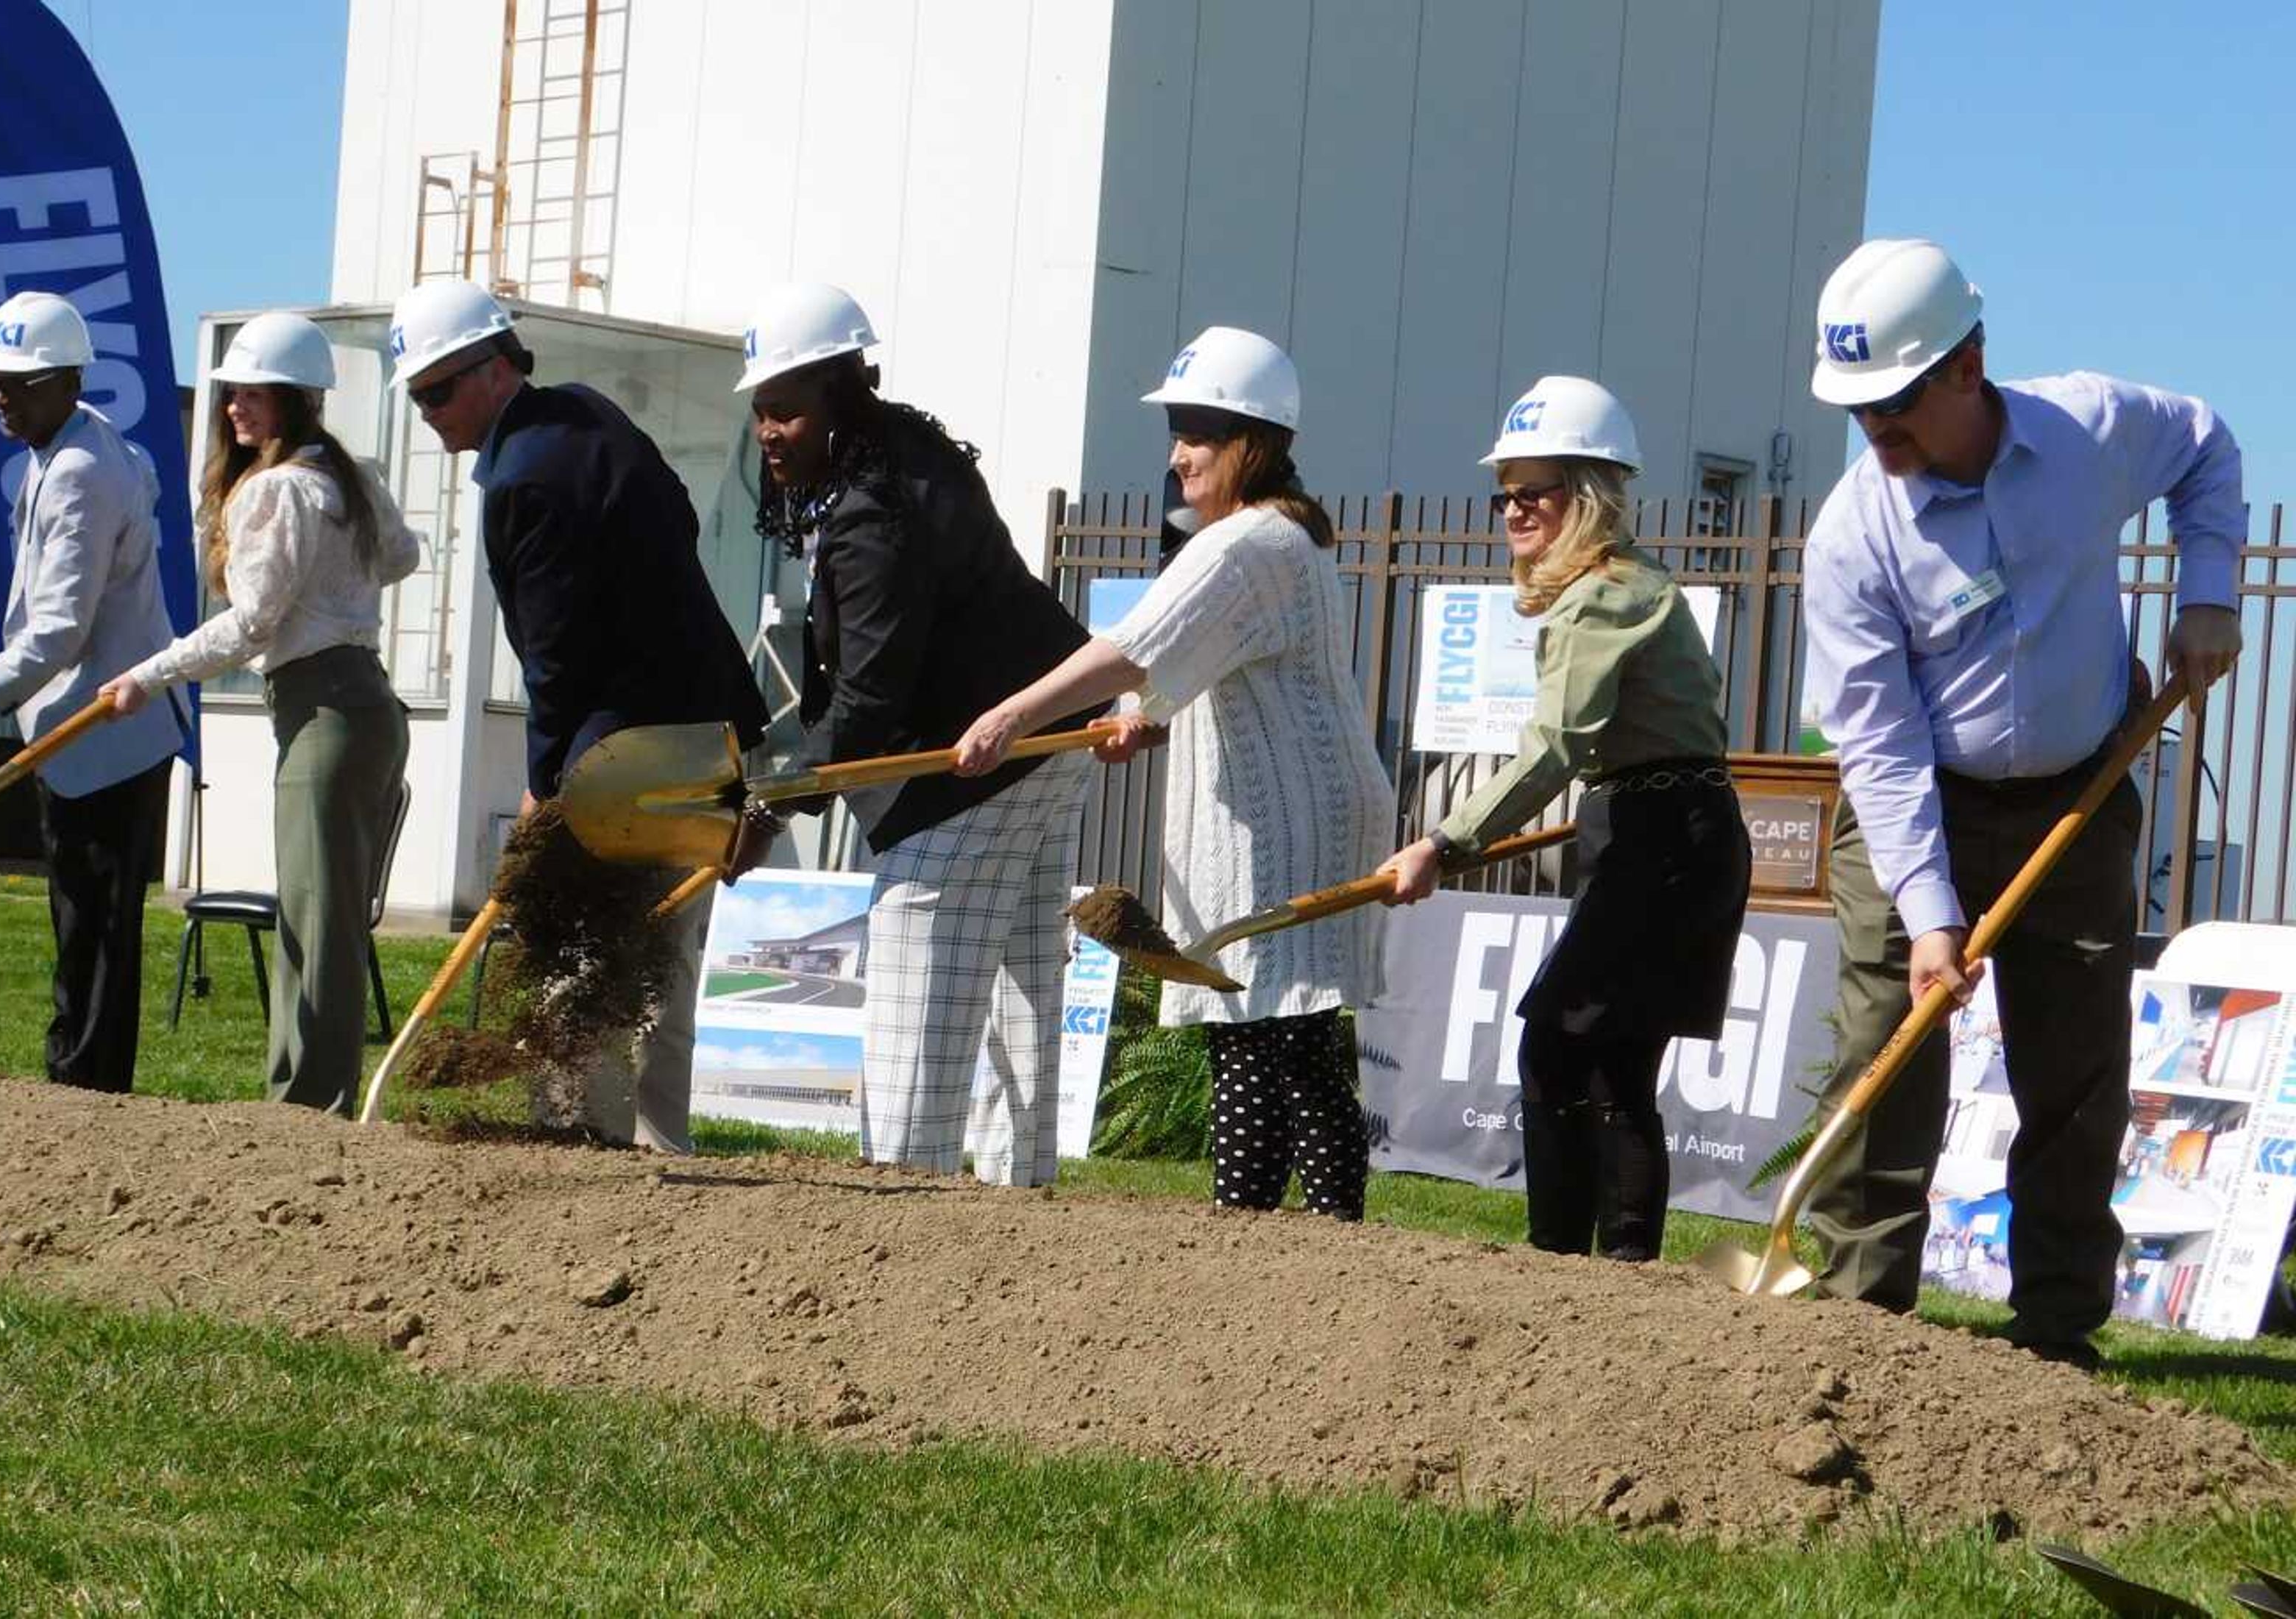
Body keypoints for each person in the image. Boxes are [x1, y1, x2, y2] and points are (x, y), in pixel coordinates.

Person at [1796, 238, 2243, 1368]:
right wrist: (1931, 912)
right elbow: (1880, 741)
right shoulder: (1854, 537)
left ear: (1968, 365)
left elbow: (2205, 447)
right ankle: (1862, 1323)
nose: (1876, 436)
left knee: (2076, 1066)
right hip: (1922, 801)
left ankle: (2056, 1330)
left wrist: (2207, 595)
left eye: (1892, 406)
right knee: (1884, 1049)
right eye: (1858, 415)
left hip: (2076, 796)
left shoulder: (2089, 430)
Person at [954, 327, 1395, 1217]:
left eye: (1200, 431)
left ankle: (1287, 1238)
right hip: (1286, 813)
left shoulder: (1247, 545)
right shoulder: (1272, 539)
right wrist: (1141, 717)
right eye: (1178, 429)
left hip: (1285, 824)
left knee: (1266, 1036)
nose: (1180, 452)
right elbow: (1196, 664)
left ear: (1255, 444)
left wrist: (1013, 713)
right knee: (1273, 1037)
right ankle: (1289, 1239)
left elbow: (1131, 647)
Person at [726, 281, 1103, 1187]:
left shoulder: (872, 512)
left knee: (915, 1011)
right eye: (761, 412)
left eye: (785, 409)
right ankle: (1023, 1203)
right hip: (1051, 735)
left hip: (976, 767)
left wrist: (766, 807)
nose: (769, 431)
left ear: (839, 392)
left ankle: (903, 1209)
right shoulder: (905, 451)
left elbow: (866, 700)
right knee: (1021, 996)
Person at [385, 279, 767, 1152]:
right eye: (417, 395)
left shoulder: (525, 480)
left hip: (623, 758)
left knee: (585, 965)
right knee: (661, 966)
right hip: (702, 734)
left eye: (440, 389)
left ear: (496, 369)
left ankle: (581, 1153)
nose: (429, 410)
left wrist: (543, 786)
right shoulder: (590, 415)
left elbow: (556, 656)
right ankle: (661, 1147)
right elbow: (674, 514)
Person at [1377, 376, 1749, 1262]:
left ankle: (1576, 1272)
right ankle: (1597, 1272)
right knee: (1606, 1060)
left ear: (1588, 495)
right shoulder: (1625, 585)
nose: (1512, 510)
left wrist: (1445, 840)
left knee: (1565, 1045)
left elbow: (1555, 745)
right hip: (1655, 827)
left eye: (1533, 491)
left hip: (1664, 838)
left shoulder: (1603, 596)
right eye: (1503, 492)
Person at [101, 313, 423, 1115]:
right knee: (324, 916)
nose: (236, 408)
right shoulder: (345, 476)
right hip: (361, 703)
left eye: (254, 394)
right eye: (232, 393)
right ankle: (311, 1095)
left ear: (296, 401)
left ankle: (307, 1104)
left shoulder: (279, 488)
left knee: (316, 922)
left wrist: (149, 672)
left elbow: (251, 622)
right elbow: (402, 556)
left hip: (326, 708)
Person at [0, 291, 188, 1095]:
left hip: (107, 733)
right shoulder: (70, 451)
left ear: (69, 379)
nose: (0, 395)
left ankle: (87, 1085)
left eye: (19, 382)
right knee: (79, 919)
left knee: (97, 925)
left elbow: (60, 628)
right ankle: (74, 1068)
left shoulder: (80, 470)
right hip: (79, 730)